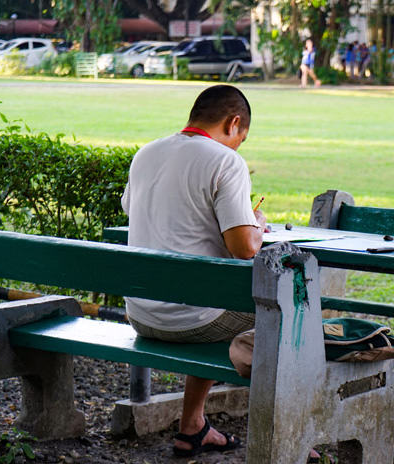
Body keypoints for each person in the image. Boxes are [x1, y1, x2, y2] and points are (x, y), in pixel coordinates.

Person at [121, 85, 267, 458]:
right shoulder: (225, 161)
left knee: (206, 298)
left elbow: (132, 208)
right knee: (292, 315)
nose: (237, 148)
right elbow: (244, 249)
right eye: (240, 139)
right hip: (191, 319)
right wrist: (256, 225)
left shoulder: (146, 153)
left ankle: (193, 426)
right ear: (234, 123)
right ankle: (288, 434)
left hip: (141, 314)